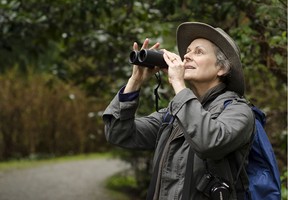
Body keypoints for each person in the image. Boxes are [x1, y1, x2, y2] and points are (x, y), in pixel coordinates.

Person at [102, 22, 254, 200]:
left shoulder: (239, 110)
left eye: (198, 52)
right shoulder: (173, 114)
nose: (187, 56)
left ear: (222, 68)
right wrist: (135, 81)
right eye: (187, 51)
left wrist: (179, 85)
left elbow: (209, 143)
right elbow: (119, 133)